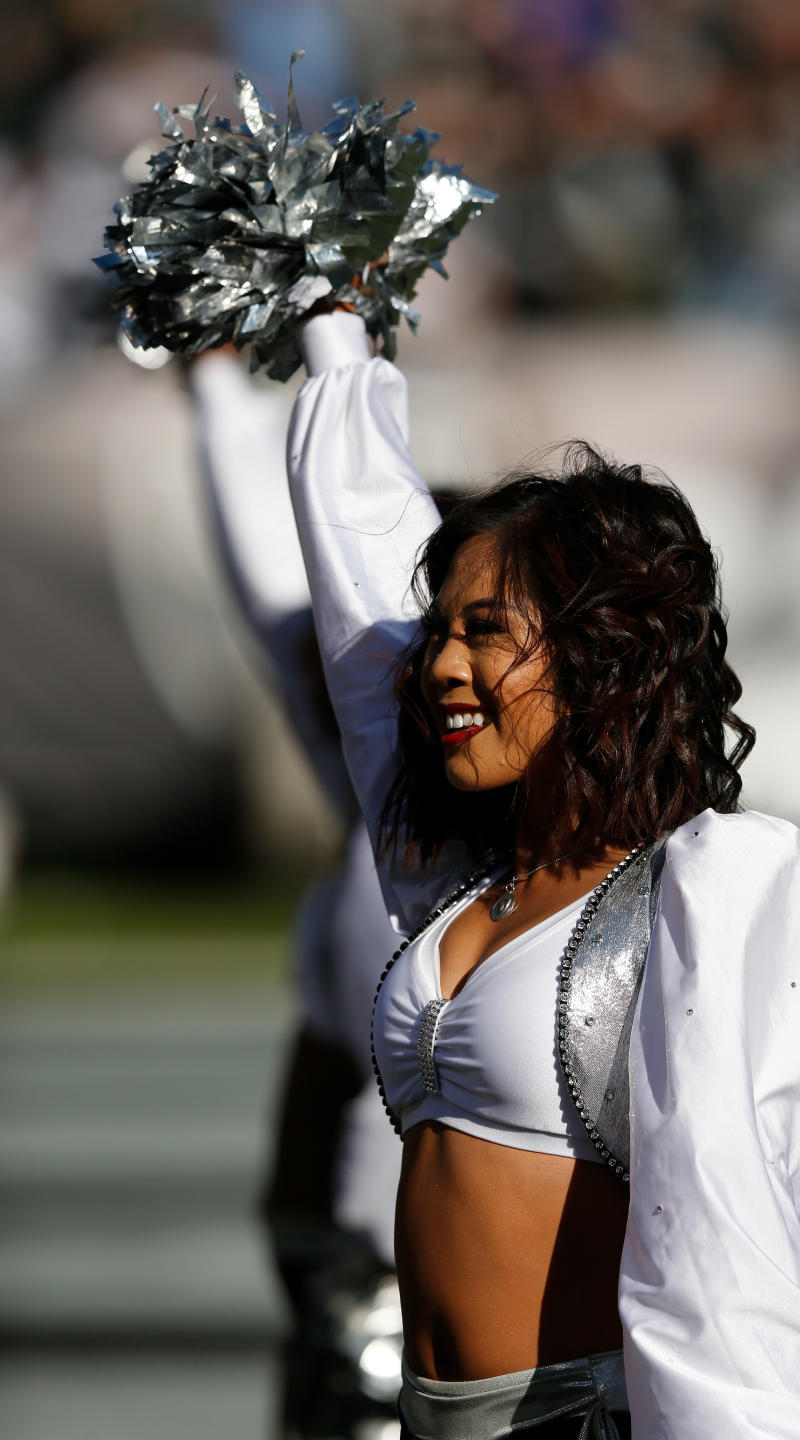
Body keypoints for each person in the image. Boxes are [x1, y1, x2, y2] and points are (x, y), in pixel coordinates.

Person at [286, 307, 800, 1438]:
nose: (440, 663)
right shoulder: (457, 878)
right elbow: (357, 621)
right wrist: (334, 346)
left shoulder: (701, 888)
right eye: (438, 630)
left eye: (485, 631)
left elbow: (719, 1231)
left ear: (598, 655)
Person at [187, 348, 404, 1437]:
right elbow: (274, 586)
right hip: (353, 1298)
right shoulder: (376, 807)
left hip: (439, 1324)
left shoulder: (450, 838)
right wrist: (220, 385)